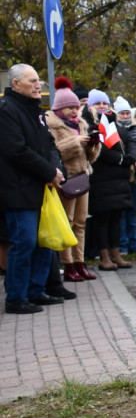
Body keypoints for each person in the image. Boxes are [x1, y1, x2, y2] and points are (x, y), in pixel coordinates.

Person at [0, 64, 65, 314]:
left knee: (42, 241)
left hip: (41, 188)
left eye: (39, 80)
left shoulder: (35, 111)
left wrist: (57, 170)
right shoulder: (7, 110)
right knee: (24, 241)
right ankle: (16, 297)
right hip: (18, 190)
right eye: (33, 81)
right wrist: (49, 171)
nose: (39, 85)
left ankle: (36, 291)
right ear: (16, 84)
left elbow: (49, 145)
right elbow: (16, 150)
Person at [45, 77, 101, 282]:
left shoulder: (82, 124)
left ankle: (80, 262)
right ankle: (67, 264)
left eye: (76, 107)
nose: (74, 111)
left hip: (82, 177)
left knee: (80, 223)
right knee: (66, 222)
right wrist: (75, 142)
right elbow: (55, 152)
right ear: (60, 108)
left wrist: (93, 145)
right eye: (69, 107)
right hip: (66, 179)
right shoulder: (52, 125)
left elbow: (90, 158)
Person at [87, 90, 136, 270]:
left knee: (116, 219)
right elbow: (98, 149)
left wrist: (131, 157)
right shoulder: (90, 125)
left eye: (105, 103)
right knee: (102, 220)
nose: (102, 106)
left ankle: (116, 254)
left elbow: (130, 142)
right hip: (101, 180)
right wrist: (121, 159)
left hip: (120, 180)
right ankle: (104, 256)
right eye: (97, 103)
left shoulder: (117, 126)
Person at [115, 97, 136, 255]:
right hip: (121, 175)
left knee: (133, 209)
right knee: (122, 212)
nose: (125, 116)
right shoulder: (113, 129)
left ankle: (135, 243)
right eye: (122, 113)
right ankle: (123, 244)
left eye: (127, 113)